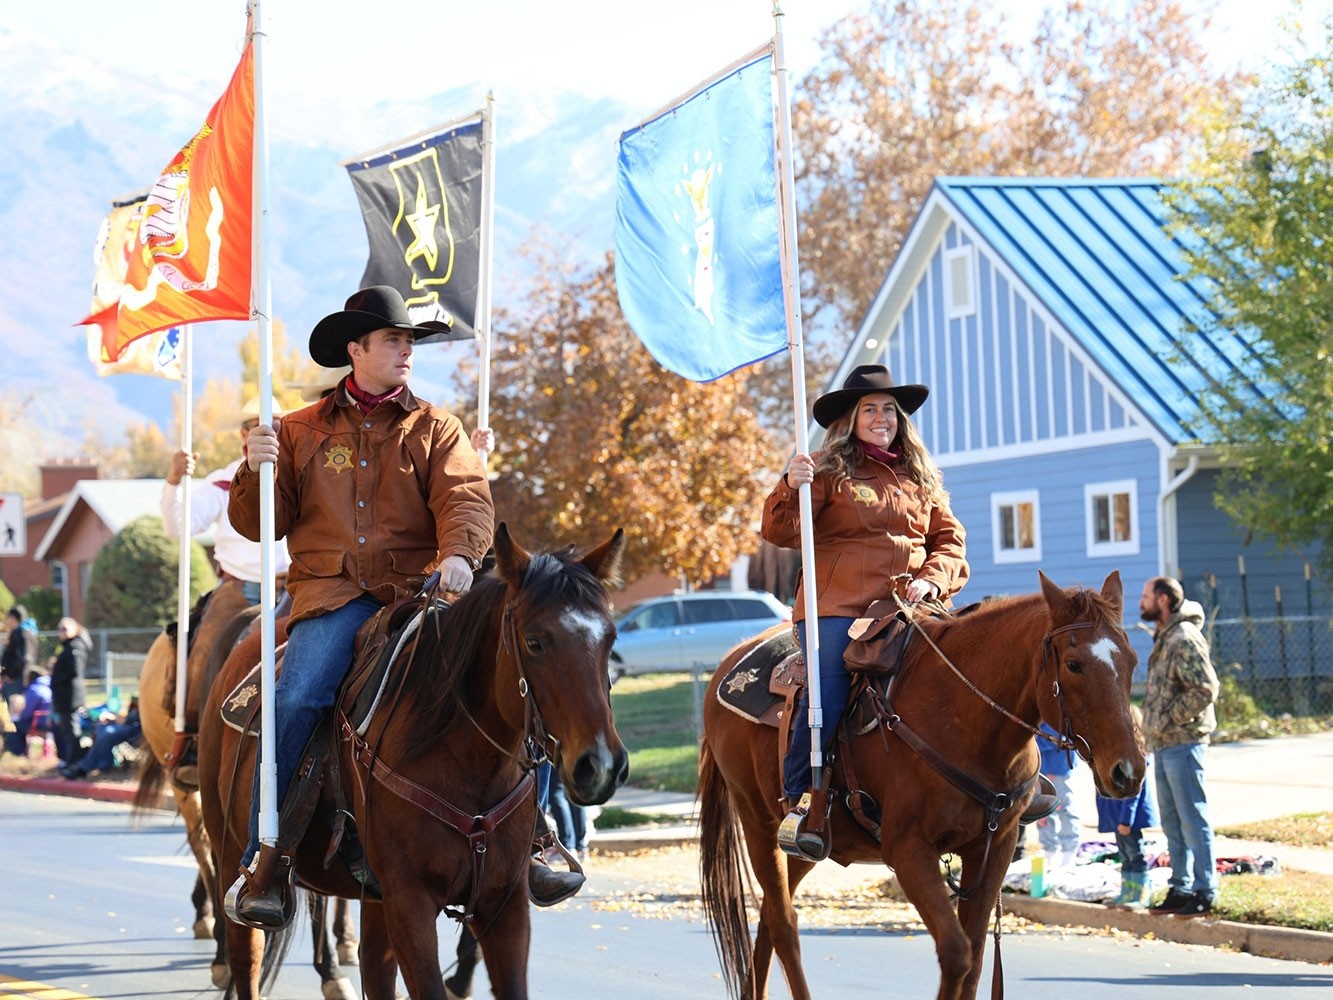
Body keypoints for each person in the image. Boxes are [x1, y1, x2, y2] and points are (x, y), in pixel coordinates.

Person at [223, 285, 557, 928]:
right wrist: (252, 471)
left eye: (410, 341)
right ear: (357, 350)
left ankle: (536, 836)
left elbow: (466, 497)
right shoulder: (295, 431)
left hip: (422, 595)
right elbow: (261, 524)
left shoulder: (438, 427)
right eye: (394, 340)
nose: (407, 351)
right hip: (332, 599)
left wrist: (460, 555)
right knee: (297, 698)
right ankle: (266, 858)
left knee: (508, 679)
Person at [760, 364, 971, 861]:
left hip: (913, 605)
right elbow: (781, 532)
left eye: (889, 410)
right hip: (841, 609)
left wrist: (930, 579)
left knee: (972, 666)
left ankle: (999, 782)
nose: (882, 418)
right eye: (870, 410)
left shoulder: (920, 478)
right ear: (851, 420)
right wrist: (791, 486)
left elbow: (951, 543)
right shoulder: (824, 470)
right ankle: (802, 800)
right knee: (828, 692)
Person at [159, 396, 293, 780]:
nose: (267, 431)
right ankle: (194, 742)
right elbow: (177, 526)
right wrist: (174, 481)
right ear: (243, 435)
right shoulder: (221, 482)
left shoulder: (304, 473)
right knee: (204, 649)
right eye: (256, 425)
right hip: (240, 587)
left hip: (298, 585)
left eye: (277, 424)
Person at [1139, 575, 1220, 919]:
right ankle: (1181, 886)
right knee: (1172, 821)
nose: (1140, 602)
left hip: (1184, 743)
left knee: (1192, 818)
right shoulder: (1165, 636)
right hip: (1164, 745)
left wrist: (1168, 719)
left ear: (1162, 600)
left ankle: (1205, 889)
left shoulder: (1184, 637)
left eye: (1145, 596)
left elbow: (1205, 688)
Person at [1098, 704, 1158, 909]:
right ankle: (1127, 892)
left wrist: (1126, 820)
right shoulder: (1116, 755)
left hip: (1127, 819)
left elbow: (1133, 794)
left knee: (1135, 854)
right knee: (1125, 855)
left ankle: (1141, 894)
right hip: (1119, 818)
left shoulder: (1136, 756)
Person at [1036, 721, 1084, 869]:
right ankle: (1049, 850)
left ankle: (1069, 852)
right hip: (1041, 769)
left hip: (1059, 769)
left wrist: (1033, 740)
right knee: (1043, 812)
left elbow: (1057, 737)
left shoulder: (1060, 716)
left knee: (1065, 809)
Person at [59, 696, 142, 779]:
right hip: (131, 725)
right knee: (102, 727)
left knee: (109, 732)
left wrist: (116, 717)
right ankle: (103, 764)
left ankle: (84, 767)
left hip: (138, 730)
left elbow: (130, 720)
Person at [49, 617, 91, 765]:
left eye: (65, 629)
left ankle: (74, 761)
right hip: (64, 695)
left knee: (71, 729)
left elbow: (74, 670)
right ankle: (69, 758)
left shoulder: (76, 646)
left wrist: (58, 679)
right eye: (60, 629)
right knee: (66, 729)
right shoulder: (67, 646)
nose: (62, 632)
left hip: (69, 695)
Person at [4, 669, 52, 756]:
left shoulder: (34, 689)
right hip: (51, 722)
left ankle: (18, 753)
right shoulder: (48, 687)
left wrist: (19, 717)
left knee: (14, 725)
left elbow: (27, 712)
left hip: (39, 723)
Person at [1, 605, 39, 701]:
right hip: (24, 676)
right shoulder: (31, 632)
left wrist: (10, 675)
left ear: (13, 618)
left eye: (8, 618)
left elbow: (22, 658)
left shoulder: (19, 633)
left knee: (14, 710)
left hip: (16, 680)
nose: (7, 621)